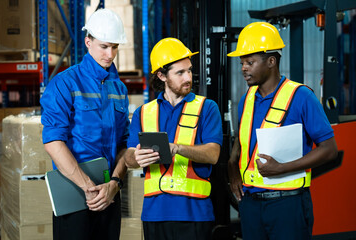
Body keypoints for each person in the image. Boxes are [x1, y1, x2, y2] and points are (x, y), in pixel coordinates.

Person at [227, 22, 338, 240]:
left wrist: (282, 168)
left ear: (271, 61)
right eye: (241, 63)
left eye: (249, 62)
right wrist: (232, 166)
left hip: (288, 204)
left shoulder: (302, 96)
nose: (243, 68)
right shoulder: (246, 100)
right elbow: (241, 141)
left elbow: (329, 149)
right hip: (250, 206)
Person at [40, 8, 129, 240]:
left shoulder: (118, 89)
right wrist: (89, 187)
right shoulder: (64, 83)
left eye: (115, 47)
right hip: (74, 192)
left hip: (109, 194)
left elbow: (124, 144)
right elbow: (53, 142)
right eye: (104, 46)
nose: (110, 54)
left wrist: (114, 184)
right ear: (88, 42)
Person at [124, 37, 223, 240]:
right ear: (161, 75)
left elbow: (213, 154)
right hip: (154, 214)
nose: (188, 77)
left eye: (189, 70)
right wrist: (136, 158)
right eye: (180, 72)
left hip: (195, 212)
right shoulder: (144, 112)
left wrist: (177, 148)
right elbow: (129, 156)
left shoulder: (207, 108)